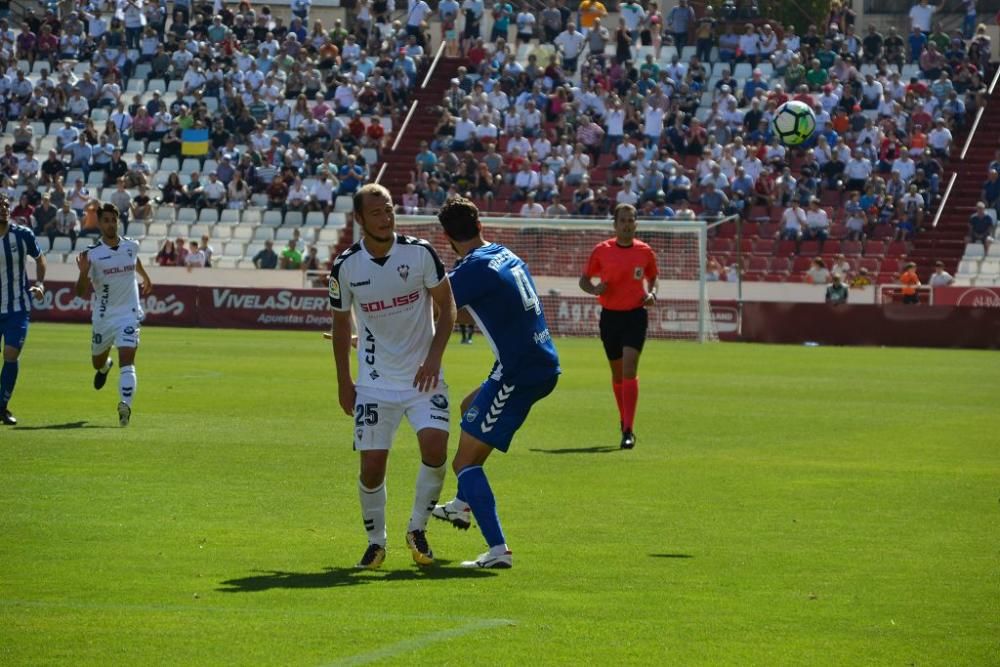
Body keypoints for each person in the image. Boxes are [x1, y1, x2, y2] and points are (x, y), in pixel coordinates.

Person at [329, 183, 456, 570]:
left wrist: (434, 357)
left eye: (389, 209)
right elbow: (339, 325)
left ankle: (417, 530)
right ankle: (375, 542)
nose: (386, 218)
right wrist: (344, 382)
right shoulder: (346, 266)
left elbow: (448, 307)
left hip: (423, 380)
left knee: (435, 451)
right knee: (371, 467)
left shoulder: (420, 254)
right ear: (359, 220)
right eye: (376, 213)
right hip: (373, 384)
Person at [430, 196, 560, 569]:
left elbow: (435, 301)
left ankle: (498, 549)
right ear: (480, 225)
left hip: (520, 371)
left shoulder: (471, 270)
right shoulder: (502, 253)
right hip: (535, 359)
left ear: (448, 238)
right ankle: (460, 504)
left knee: (463, 463)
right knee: (469, 407)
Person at [578, 203, 658, 449]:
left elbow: (652, 276)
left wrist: (652, 293)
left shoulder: (645, 251)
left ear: (636, 224)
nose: (626, 224)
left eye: (630, 220)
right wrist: (594, 289)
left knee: (629, 369)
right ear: (615, 224)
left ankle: (628, 429)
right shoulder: (602, 250)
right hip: (610, 317)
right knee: (617, 375)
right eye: (622, 220)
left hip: (635, 316)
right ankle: (624, 417)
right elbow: (584, 280)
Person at [74, 202, 153, 427]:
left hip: (129, 314)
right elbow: (79, 293)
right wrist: (82, 274)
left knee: (127, 360)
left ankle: (125, 405)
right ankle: (103, 367)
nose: (110, 224)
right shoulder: (91, 255)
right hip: (103, 318)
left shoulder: (131, 245)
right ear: (99, 224)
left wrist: (145, 276)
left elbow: (132, 259)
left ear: (118, 222)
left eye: (113, 220)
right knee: (96, 361)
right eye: (105, 220)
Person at [0, 193, 47, 425]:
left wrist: (39, 284)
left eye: (6, 205)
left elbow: (40, 258)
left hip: (17, 307)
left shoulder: (22, 234)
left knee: (11, 354)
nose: (4, 209)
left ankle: (2, 406)